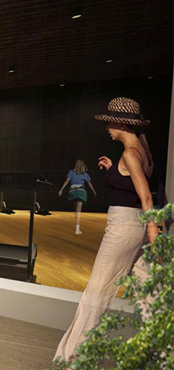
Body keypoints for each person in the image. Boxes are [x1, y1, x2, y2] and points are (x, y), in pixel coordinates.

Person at [55, 97, 161, 362]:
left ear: (122, 124)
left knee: (96, 293)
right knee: (150, 294)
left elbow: (146, 196)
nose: (107, 128)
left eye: (110, 123)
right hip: (135, 226)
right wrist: (114, 170)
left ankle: (72, 358)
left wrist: (154, 233)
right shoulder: (142, 151)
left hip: (124, 229)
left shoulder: (130, 153)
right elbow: (134, 185)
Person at [58, 159, 97, 235]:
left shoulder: (71, 172)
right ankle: (77, 228)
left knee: (75, 210)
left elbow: (67, 181)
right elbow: (89, 184)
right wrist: (93, 191)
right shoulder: (85, 174)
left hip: (72, 192)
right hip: (80, 192)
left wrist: (61, 189)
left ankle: (76, 223)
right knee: (78, 211)